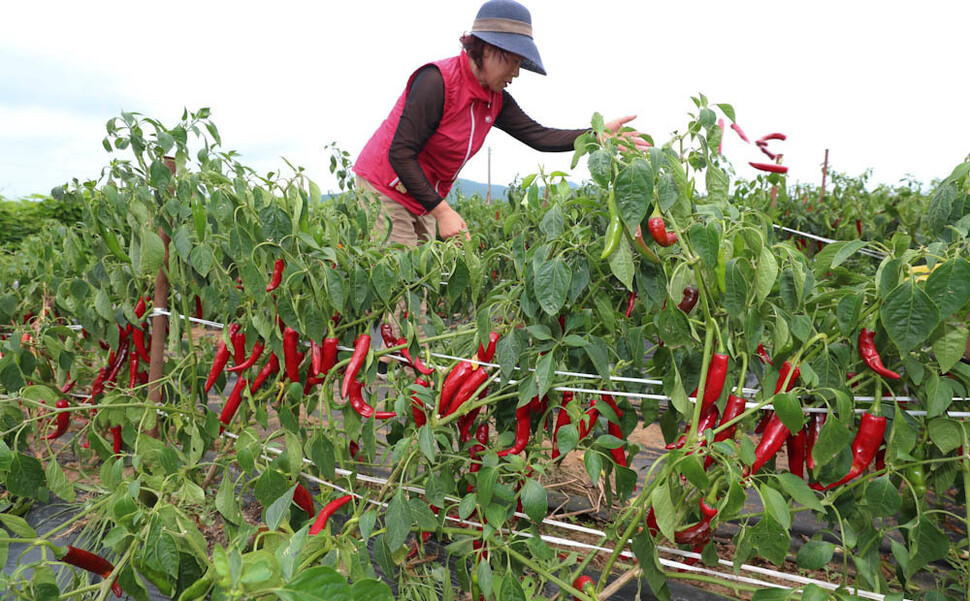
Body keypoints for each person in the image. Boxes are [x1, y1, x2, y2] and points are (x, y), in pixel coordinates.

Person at [353, 0, 650, 246]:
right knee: (399, 291)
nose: (517, 73)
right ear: (488, 49)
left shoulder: (494, 100)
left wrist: (596, 135)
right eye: (514, 62)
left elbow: (539, 136)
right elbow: (400, 153)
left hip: (422, 194)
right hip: (384, 187)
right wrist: (443, 212)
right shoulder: (436, 82)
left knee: (419, 284)